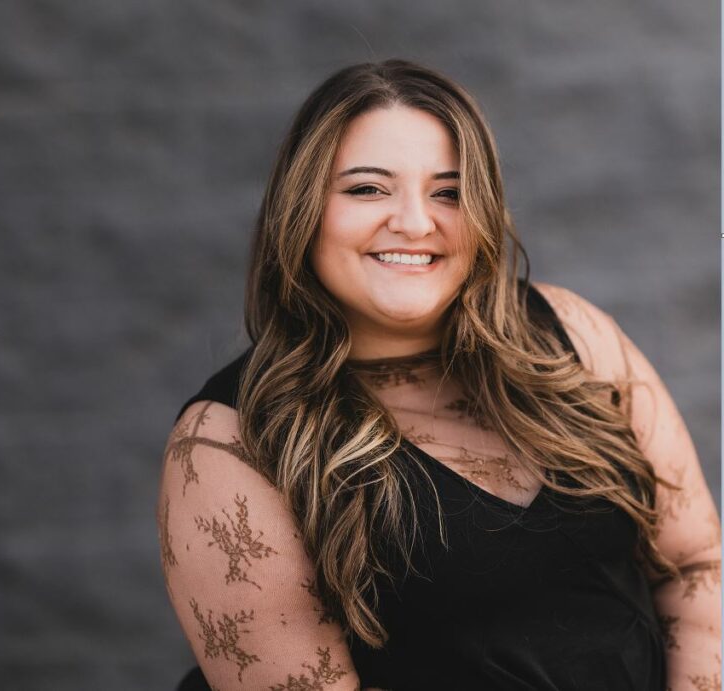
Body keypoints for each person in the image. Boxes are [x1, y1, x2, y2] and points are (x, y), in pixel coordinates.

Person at [157, 59, 721, 690]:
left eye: (448, 192)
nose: (416, 223)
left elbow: (695, 566)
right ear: (303, 208)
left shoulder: (575, 337)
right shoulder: (230, 443)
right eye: (368, 189)